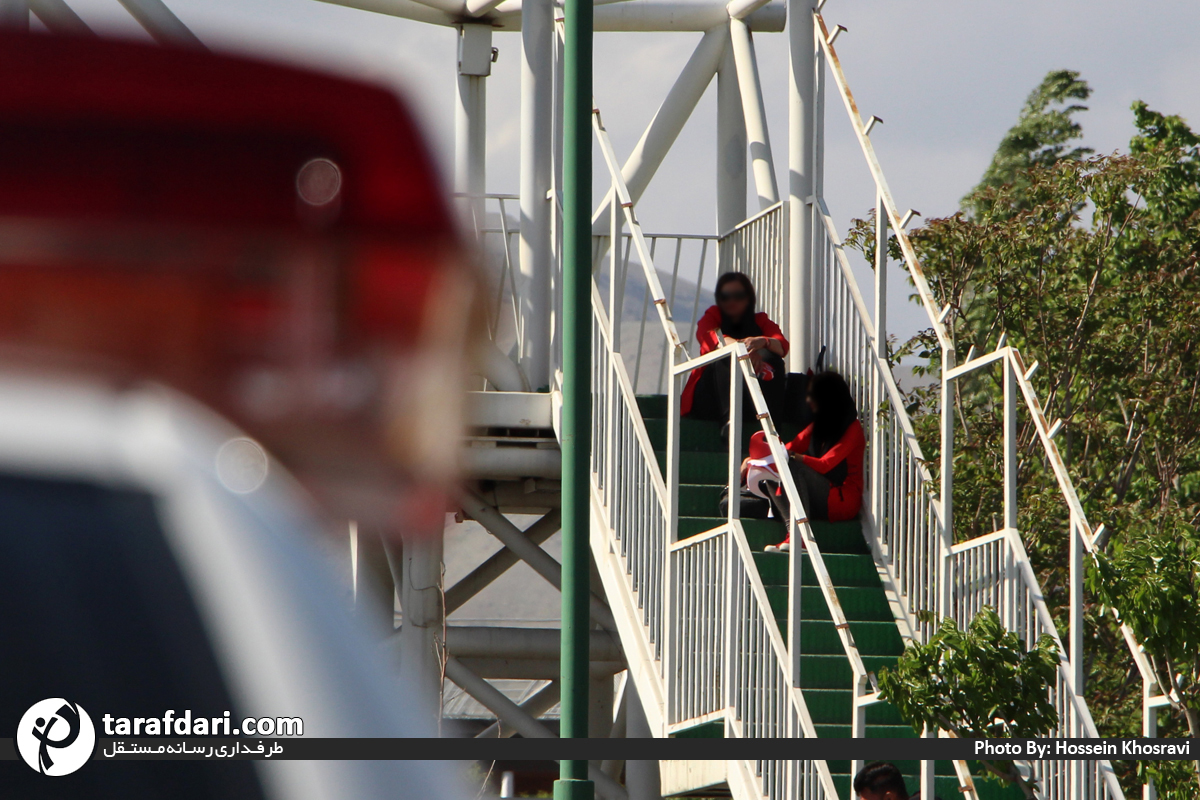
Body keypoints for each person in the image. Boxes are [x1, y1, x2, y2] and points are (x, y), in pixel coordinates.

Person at [741, 370, 865, 552]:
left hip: (842, 499)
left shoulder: (853, 429)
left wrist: (792, 457)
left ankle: (799, 538)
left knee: (792, 466)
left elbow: (825, 465)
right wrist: (756, 458)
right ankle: (794, 534)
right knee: (770, 468)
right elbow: (789, 447)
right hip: (822, 494)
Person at [681, 272, 788, 423]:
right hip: (713, 398)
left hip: (748, 397)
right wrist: (746, 351)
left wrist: (763, 342)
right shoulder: (712, 316)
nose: (732, 301)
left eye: (738, 296)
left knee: (772, 358)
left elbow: (782, 346)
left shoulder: (760, 320)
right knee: (727, 357)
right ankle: (729, 426)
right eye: (725, 296)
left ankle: (771, 426)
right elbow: (712, 339)